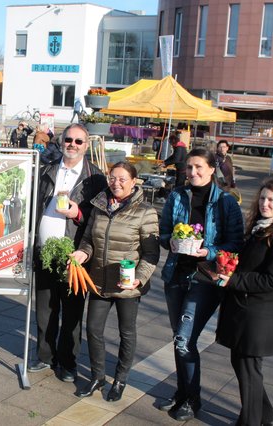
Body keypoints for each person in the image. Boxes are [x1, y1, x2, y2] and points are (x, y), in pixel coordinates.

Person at [158, 147, 244, 421]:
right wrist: (169, 241)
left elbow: (235, 244)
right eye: (189, 168)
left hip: (205, 278)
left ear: (210, 169)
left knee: (184, 339)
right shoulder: (177, 195)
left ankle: (192, 400)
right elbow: (163, 232)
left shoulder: (226, 202)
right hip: (175, 275)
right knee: (180, 339)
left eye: (198, 167)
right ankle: (182, 392)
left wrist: (208, 251)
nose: (192, 172)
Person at [216, 177, 273, 426]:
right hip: (243, 309)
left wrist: (231, 280)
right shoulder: (260, 227)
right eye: (263, 198)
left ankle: (250, 421)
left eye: (271, 200)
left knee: (248, 368)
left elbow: (272, 280)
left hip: (259, 314)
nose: (265, 203)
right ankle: (266, 419)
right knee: (245, 367)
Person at [71, 162, 160, 401]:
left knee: (126, 333)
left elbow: (152, 254)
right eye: (112, 178)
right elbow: (89, 238)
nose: (116, 183)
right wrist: (83, 253)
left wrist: (139, 280)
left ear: (134, 182)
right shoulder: (99, 205)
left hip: (127, 284)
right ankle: (98, 376)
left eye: (122, 179)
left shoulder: (145, 211)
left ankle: (120, 379)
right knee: (93, 329)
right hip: (99, 280)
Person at [29, 123, 107, 382]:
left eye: (78, 141)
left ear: (86, 146)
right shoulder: (47, 170)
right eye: (68, 140)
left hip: (75, 254)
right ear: (62, 142)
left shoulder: (95, 178)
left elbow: (100, 220)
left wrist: (79, 214)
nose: (72, 145)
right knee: (44, 309)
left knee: (72, 312)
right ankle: (44, 356)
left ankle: (68, 363)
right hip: (44, 252)